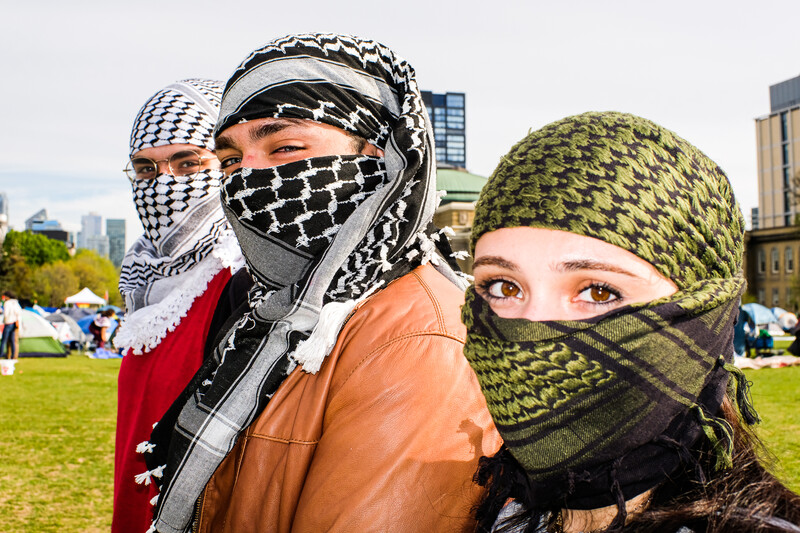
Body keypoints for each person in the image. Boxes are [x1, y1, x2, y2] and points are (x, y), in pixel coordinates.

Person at [141, 33, 501, 533]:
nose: (248, 178)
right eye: (229, 160)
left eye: (285, 147)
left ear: (379, 158)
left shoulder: (416, 338)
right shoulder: (276, 311)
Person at [462, 112, 800, 533]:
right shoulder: (498, 516)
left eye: (598, 291)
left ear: (705, 316)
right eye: (503, 287)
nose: (532, 327)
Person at [111, 79, 247, 533]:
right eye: (146, 169)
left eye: (188, 162)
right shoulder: (141, 279)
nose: (164, 182)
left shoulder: (240, 275)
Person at [1, 291, 22, 359]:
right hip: (15, 323)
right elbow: (18, 312)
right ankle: (13, 356)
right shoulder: (15, 303)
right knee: (13, 341)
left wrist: (4, 320)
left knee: (4, 341)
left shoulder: (7, 303)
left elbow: (6, 314)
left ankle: (1, 354)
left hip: (8, 323)